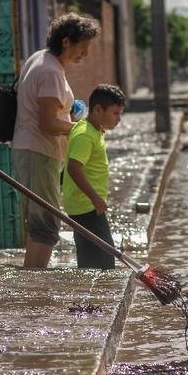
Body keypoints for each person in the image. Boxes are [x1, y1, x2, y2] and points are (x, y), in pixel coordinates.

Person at [12, 13, 100, 268]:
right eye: (82, 48)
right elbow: (48, 124)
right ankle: (36, 287)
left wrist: (70, 115)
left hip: (32, 150)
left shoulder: (39, 59)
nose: (84, 55)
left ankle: (33, 280)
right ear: (66, 42)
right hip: (39, 151)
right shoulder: (50, 71)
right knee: (46, 225)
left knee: (39, 222)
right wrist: (82, 129)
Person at [62, 84, 125, 269]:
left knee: (92, 256)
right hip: (86, 206)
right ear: (98, 110)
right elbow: (74, 168)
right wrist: (95, 198)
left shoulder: (92, 128)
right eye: (115, 113)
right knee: (104, 258)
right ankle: (96, 295)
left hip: (86, 204)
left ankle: (91, 295)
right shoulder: (85, 136)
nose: (119, 119)